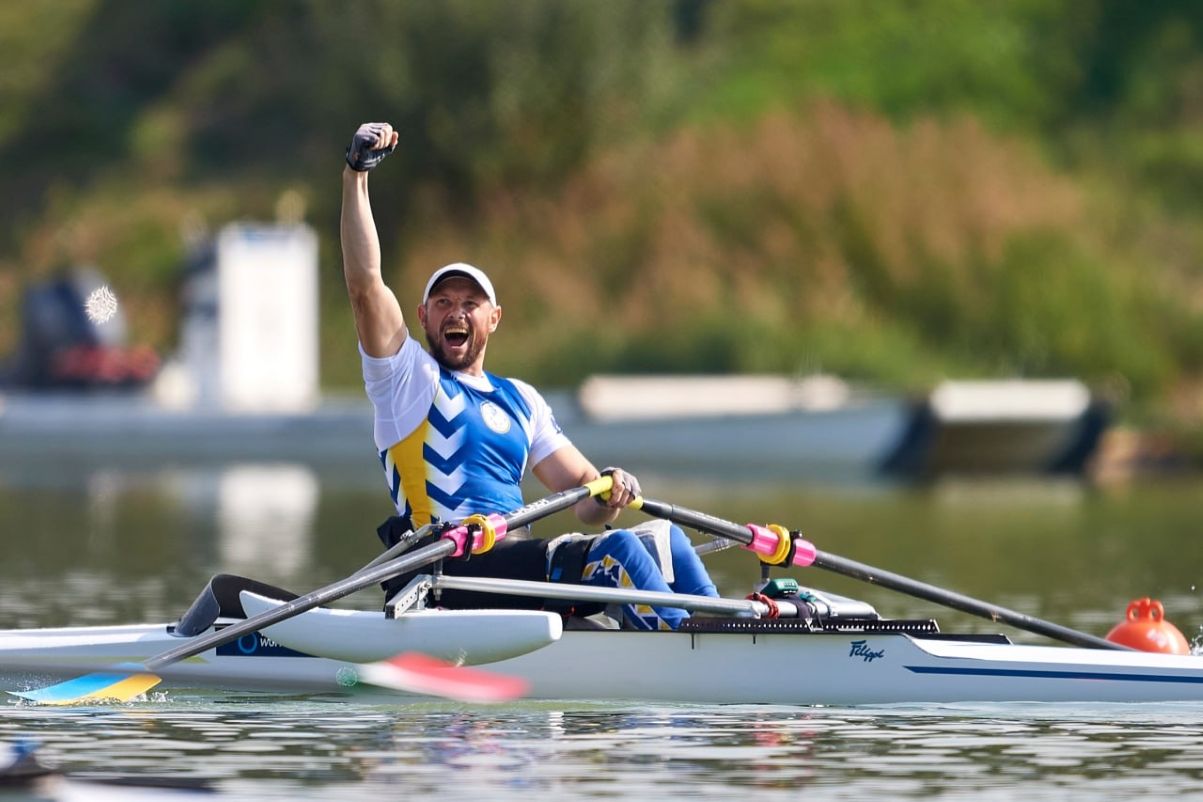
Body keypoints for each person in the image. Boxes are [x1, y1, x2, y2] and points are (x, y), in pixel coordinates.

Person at [340, 121, 718, 630]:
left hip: (514, 564)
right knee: (621, 548)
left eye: (470, 304)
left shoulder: (521, 399)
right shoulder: (407, 379)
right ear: (423, 317)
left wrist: (612, 493)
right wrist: (356, 175)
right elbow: (365, 285)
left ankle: (723, 637)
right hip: (449, 572)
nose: (456, 312)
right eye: (444, 303)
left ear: (493, 319)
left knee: (667, 537)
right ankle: (693, 654)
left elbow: (586, 495)